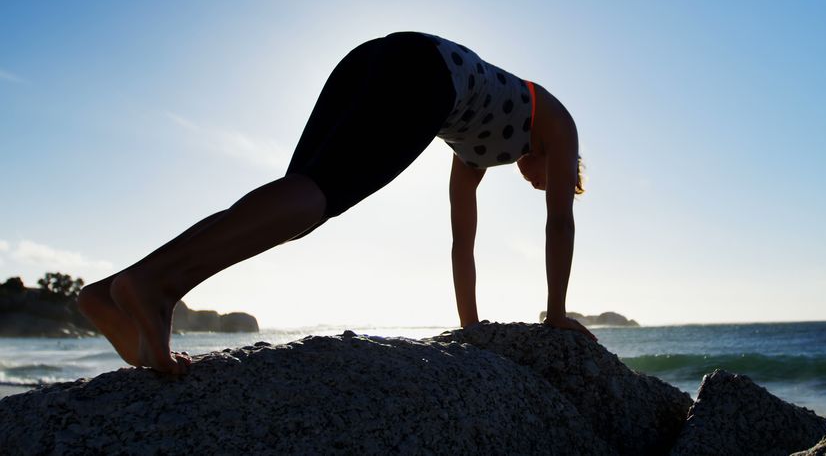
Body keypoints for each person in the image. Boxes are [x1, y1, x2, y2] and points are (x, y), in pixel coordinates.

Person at [78, 31, 595, 374]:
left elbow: (463, 242)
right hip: (422, 70)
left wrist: (471, 331)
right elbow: (559, 226)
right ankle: (156, 287)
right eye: (564, 178)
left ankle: (113, 290)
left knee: (296, 199)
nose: (546, 185)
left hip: (374, 58)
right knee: (314, 198)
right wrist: (555, 314)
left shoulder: (477, 150)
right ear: (568, 162)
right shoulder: (556, 120)